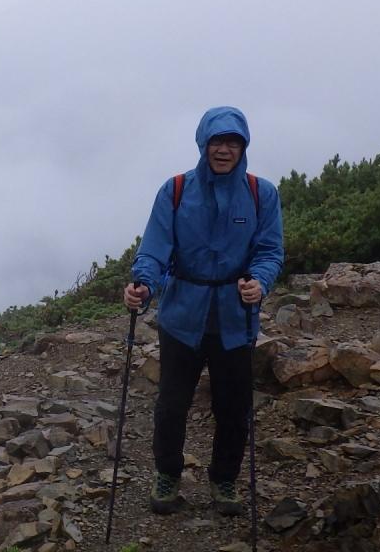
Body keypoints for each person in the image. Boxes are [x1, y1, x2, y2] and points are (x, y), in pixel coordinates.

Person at [123, 106, 284, 516]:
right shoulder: (176, 190)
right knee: (171, 405)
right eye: (217, 141)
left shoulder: (262, 193)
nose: (224, 150)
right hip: (182, 317)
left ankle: (224, 479)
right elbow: (155, 249)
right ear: (203, 144)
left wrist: (260, 281)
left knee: (233, 408)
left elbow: (270, 251)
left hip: (235, 317)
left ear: (243, 147)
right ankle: (167, 474)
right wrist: (143, 284)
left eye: (233, 142)